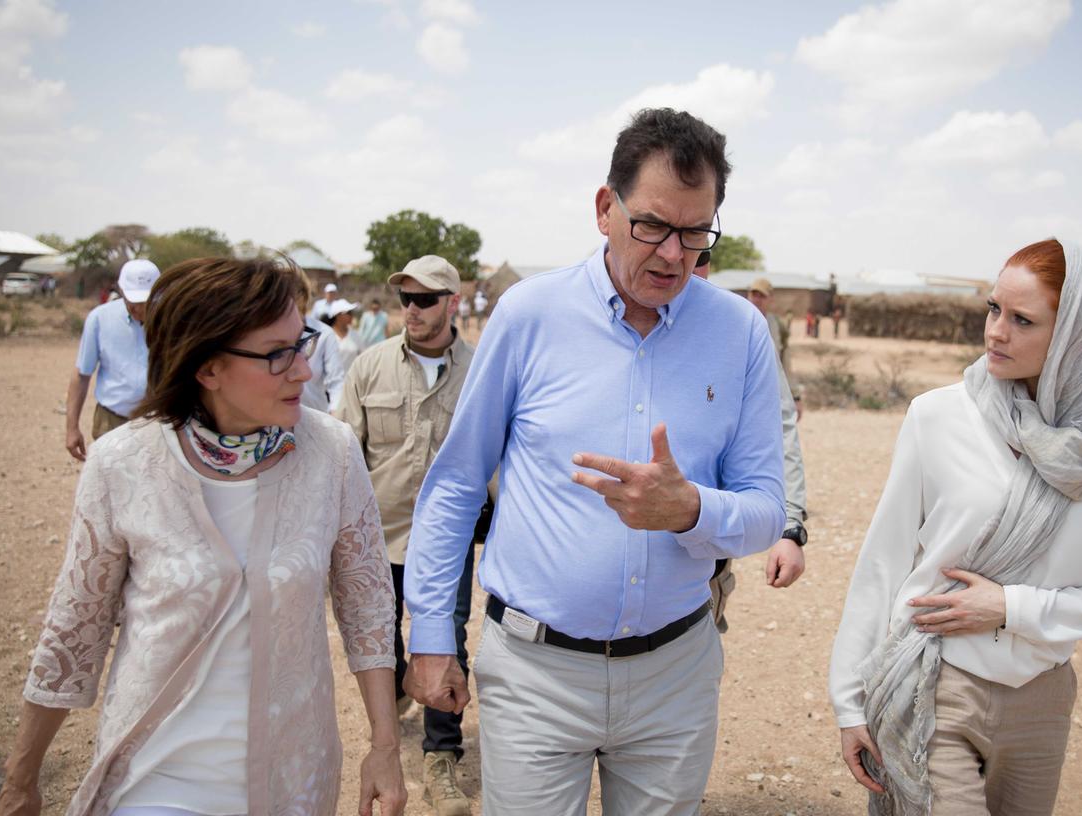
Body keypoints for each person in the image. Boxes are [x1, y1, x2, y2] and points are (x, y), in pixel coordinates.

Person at [403, 107, 785, 815]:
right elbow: (456, 483)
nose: (675, 254)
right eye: (654, 226)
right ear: (605, 208)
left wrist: (694, 510)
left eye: (696, 233)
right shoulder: (528, 315)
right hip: (535, 675)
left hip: (676, 674)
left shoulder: (741, 334)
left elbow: (767, 506)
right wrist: (430, 635)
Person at [0, 257, 406, 816]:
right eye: (276, 354)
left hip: (291, 780)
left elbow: (367, 606)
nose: (303, 372)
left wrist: (384, 747)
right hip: (155, 781)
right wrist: (22, 780)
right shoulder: (123, 463)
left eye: (300, 343)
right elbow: (75, 628)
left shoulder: (330, 454)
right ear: (207, 368)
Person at [829, 238, 1082, 816]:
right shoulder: (938, 415)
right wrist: (850, 704)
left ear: (1076, 336)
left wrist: (1011, 607)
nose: (996, 332)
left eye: (1023, 320)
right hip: (934, 682)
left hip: (1043, 700)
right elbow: (884, 561)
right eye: (993, 309)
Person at [337, 255, 482, 816]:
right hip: (380, 536)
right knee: (383, 642)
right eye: (406, 298)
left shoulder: (481, 371)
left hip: (447, 543)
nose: (413, 310)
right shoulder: (368, 367)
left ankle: (441, 757)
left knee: (447, 639)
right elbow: (345, 453)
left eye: (426, 299)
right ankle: (394, 721)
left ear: (453, 302)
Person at [692, 251, 807, 631]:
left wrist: (790, 526)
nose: (678, 255)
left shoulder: (740, 327)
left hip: (701, 574)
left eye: (699, 245)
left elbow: (780, 420)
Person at [64, 259, 157, 461]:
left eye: (145, 302)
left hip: (160, 424)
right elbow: (82, 375)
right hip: (111, 422)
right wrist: (72, 428)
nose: (139, 309)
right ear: (121, 291)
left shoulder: (176, 321)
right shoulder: (99, 318)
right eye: (133, 301)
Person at [748, 277, 802, 415]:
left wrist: (795, 396)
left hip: (770, 396)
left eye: (762, 296)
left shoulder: (777, 326)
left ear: (771, 299)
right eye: (755, 294)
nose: (757, 299)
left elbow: (785, 363)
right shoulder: (737, 322)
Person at [296, 279, 346, 413]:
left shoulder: (324, 334)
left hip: (315, 413)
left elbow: (336, 380)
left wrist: (335, 411)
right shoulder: (266, 332)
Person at [321, 298, 364, 375]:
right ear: (338, 316)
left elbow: (362, 358)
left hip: (351, 383)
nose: (351, 316)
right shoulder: (326, 336)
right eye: (348, 313)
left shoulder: (356, 335)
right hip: (329, 384)